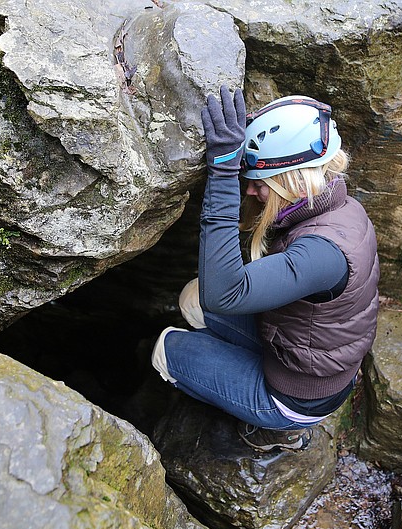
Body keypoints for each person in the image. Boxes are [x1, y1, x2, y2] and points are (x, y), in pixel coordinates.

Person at [151, 86, 379, 452]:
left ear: (290, 182)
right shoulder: (339, 206)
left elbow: (226, 292)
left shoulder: (322, 253)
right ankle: (226, 362)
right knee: (193, 299)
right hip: (300, 347)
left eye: (260, 183)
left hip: (297, 395)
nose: (250, 192)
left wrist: (223, 172)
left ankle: (280, 432)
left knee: (164, 349)